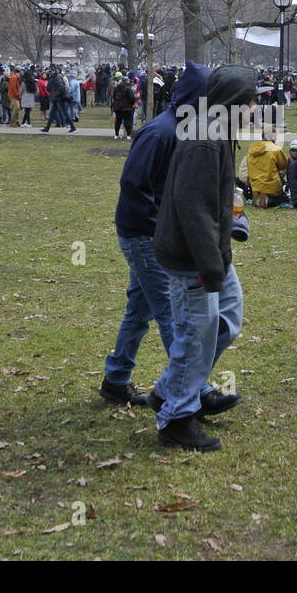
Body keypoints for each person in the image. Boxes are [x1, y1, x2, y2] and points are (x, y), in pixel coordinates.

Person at [150, 64, 256, 451]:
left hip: (212, 255)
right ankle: (177, 418)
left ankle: (171, 390)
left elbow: (216, 199)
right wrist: (209, 264)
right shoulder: (203, 140)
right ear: (232, 103)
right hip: (192, 258)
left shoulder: (217, 133)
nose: (254, 108)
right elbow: (192, 207)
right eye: (250, 101)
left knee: (227, 319)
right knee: (194, 336)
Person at [101, 61, 209, 406]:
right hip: (144, 235)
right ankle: (192, 391)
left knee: (140, 308)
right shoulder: (159, 131)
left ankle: (116, 378)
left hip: (156, 233)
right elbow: (134, 185)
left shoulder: (186, 130)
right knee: (172, 312)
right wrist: (156, 230)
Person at [245, 131, 289, 208]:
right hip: (270, 186)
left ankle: (258, 197)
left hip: (254, 185)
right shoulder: (275, 149)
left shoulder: (252, 148)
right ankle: (266, 200)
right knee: (285, 199)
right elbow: (283, 165)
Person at [111, 73, 137, 139]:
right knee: (128, 121)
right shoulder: (128, 89)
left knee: (118, 122)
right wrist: (131, 104)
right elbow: (132, 98)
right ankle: (128, 135)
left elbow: (113, 97)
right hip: (127, 108)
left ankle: (116, 135)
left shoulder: (116, 88)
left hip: (118, 107)